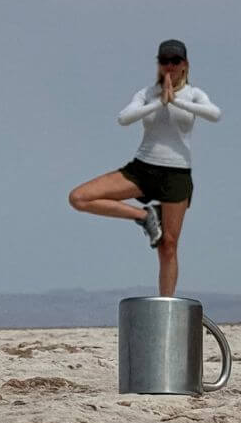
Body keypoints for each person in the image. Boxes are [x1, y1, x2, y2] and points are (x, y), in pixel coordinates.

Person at [68, 39, 222, 297]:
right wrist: (159, 102)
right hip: (143, 168)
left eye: (175, 61)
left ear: (185, 64)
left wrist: (176, 102)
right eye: (165, 61)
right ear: (158, 64)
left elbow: (214, 114)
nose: (170, 66)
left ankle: (166, 305)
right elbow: (124, 118)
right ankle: (144, 216)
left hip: (176, 172)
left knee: (168, 245)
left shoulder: (194, 94)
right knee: (80, 197)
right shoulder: (147, 94)